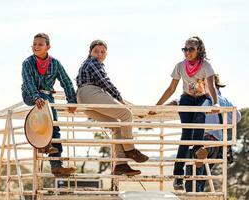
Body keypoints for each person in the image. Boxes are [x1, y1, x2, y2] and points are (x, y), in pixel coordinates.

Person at [149, 36, 219, 190]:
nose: (187, 52)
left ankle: (197, 151)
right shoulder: (180, 66)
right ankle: (178, 175)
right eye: (185, 49)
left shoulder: (206, 66)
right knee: (186, 135)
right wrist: (157, 106)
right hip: (187, 98)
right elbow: (171, 88)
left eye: (191, 49)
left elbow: (212, 87)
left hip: (203, 98)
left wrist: (215, 103)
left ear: (198, 50)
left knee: (200, 114)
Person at [76, 40, 149, 176]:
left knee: (116, 126)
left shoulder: (86, 64)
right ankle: (130, 149)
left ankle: (121, 164)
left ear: (106, 54)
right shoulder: (93, 62)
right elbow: (105, 82)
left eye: (102, 52)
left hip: (83, 99)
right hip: (90, 93)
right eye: (96, 51)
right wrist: (120, 99)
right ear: (90, 53)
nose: (99, 54)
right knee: (126, 113)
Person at [21, 33, 77, 177]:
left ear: (48, 47)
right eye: (34, 44)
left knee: (55, 127)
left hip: (47, 97)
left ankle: (56, 166)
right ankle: (44, 145)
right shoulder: (27, 63)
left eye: (40, 44)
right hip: (30, 94)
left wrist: (71, 100)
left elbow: (66, 81)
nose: (36, 47)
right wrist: (35, 97)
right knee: (48, 109)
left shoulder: (55, 63)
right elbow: (28, 82)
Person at [184, 74, 241, 192]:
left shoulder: (200, 98)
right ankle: (201, 154)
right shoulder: (224, 100)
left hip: (202, 139)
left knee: (192, 178)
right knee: (202, 178)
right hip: (216, 143)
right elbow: (237, 117)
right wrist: (223, 118)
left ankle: (199, 153)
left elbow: (177, 102)